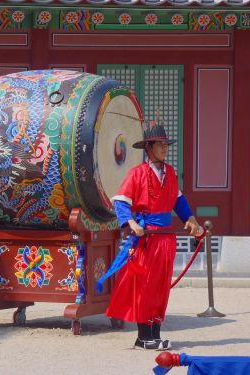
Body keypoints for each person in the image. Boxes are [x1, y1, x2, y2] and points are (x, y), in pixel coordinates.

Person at [99, 121, 203, 351]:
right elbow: (121, 201)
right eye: (160, 144)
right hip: (146, 238)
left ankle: (154, 335)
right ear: (149, 148)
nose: (165, 148)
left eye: (166, 144)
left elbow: (178, 200)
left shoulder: (171, 173)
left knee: (161, 286)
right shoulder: (137, 173)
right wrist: (132, 222)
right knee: (145, 286)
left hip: (166, 238)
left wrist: (192, 220)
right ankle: (144, 336)